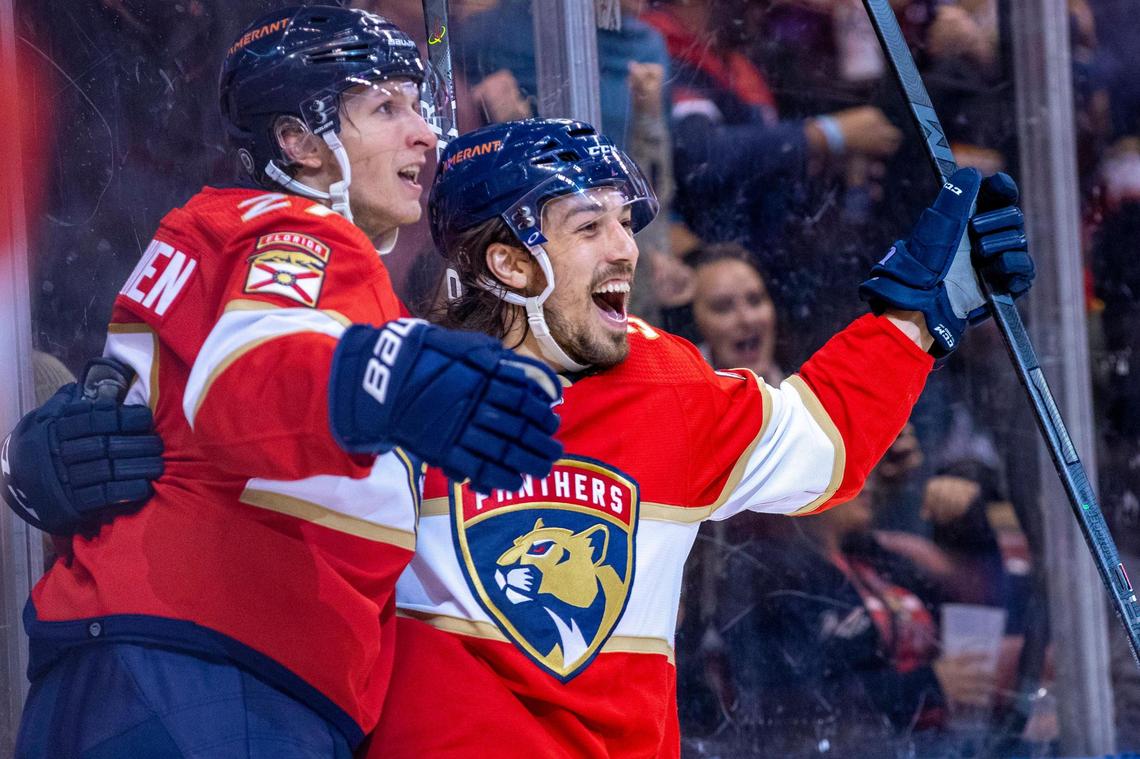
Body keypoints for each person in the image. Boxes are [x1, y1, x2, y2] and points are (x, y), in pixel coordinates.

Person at [7, 118, 1034, 756]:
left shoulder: (668, 385)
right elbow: (233, 452)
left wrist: (920, 311)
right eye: (589, 225)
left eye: (626, 222)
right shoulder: (394, 382)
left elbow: (821, 446)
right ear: (507, 263)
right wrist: (65, 453)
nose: (626, 249)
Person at [3, 8, 563, 757]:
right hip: (216, 677)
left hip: (133, 664)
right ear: (299, 141)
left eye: (417, 105)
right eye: (385, 109)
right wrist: (381, 379)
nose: (425, 134)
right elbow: (251, 373)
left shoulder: (224, 228)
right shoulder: (302, 233)